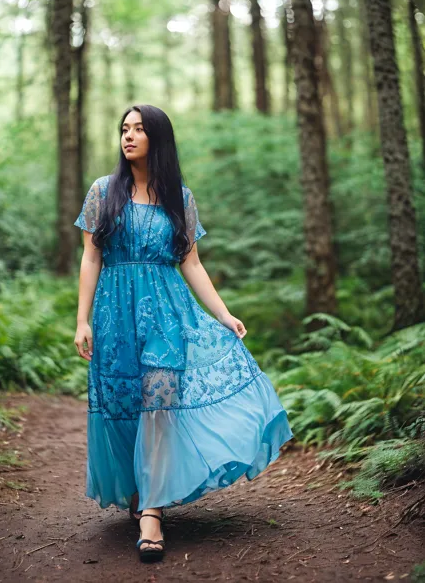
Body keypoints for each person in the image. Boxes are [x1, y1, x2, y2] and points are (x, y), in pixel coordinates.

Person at [73, 104, 293, 563]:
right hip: (116, 316)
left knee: (159, 404)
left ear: (158, 137)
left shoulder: (179, 198)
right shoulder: (102, 192)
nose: (128, 136)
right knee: (125, 405)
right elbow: (90, 258)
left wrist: (224, 314)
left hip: (168, 318)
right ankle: (139, 488)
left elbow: (191, 264)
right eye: (123, 129)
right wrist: (82, 319)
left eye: (138, 129)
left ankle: (151, 511)